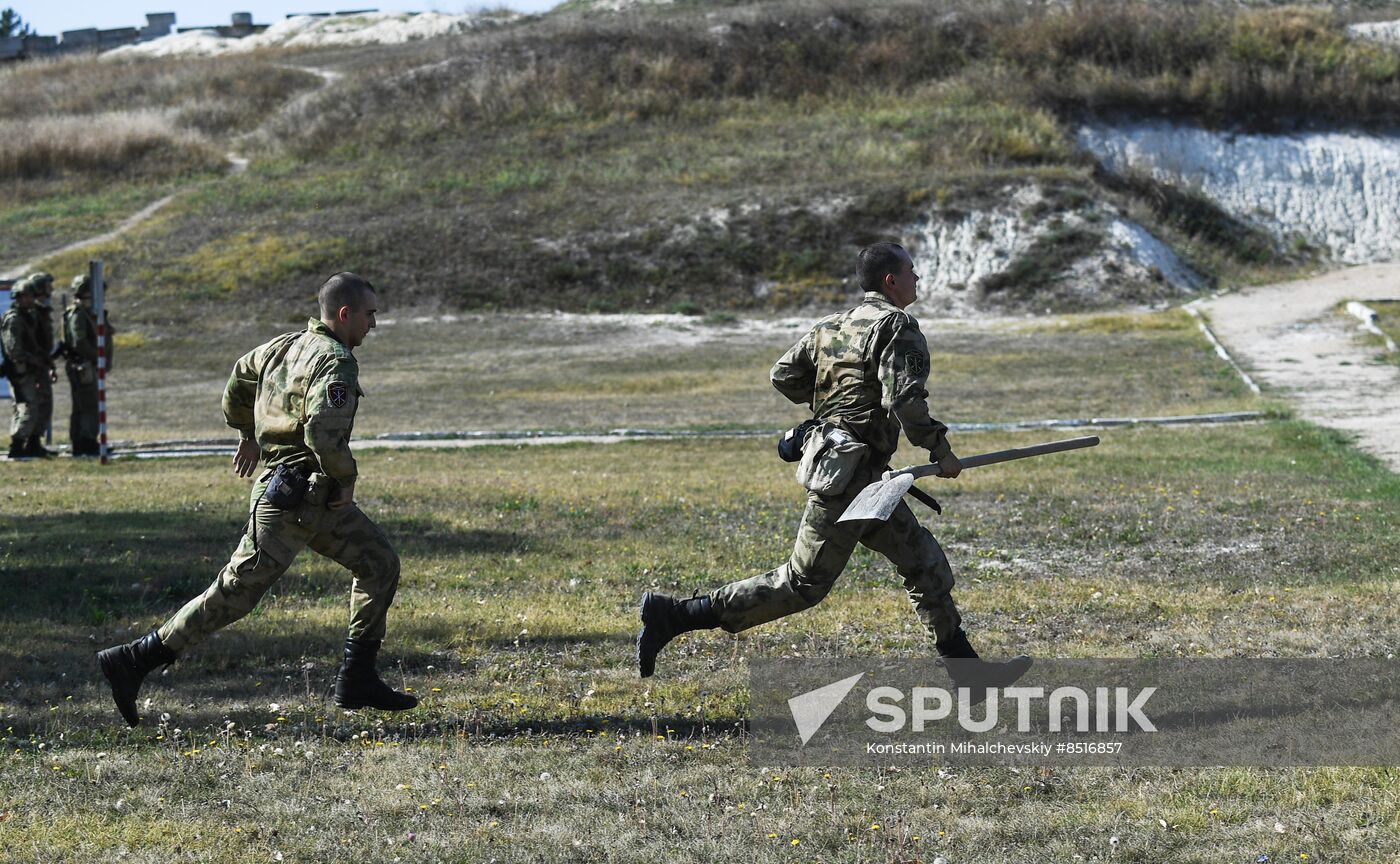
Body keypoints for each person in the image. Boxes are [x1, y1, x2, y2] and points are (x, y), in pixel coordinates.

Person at [637, 243, 1030, 698]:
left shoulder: (831, 327)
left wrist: (830, 412)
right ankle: (674, 615)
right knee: (802, 585)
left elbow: (783, 374)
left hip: (867, 479)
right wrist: (940, 451)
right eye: (911, 272)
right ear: (891, 281)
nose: (917, 278)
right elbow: (904, 400)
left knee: (925, 565)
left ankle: (967, 674)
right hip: (849, 481)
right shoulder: (896, 326)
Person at [97, 272, 416, 726]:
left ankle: (357, 676)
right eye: (370, 315)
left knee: (379, 563)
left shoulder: (281, 346)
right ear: (345, 314)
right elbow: (323, 435)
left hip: (309, 498)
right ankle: (133, 659)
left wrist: (247, 431)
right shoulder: (336, 361)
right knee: (236, 592)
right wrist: (347, 480)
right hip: (294, 501)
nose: (373, 325)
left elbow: (239, 379)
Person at [1, 276, 55, 459]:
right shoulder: (14, 320)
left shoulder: (30, 317)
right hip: (21, 371)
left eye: (32, 296)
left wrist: (44, 362)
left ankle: (33, 443)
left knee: (40, 406)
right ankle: (17, 444)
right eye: (26, 296)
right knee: (27, 407)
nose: (30, 299)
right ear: (19, 297)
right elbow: (14, 351)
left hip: (32, 369)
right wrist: (33, 360)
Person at [62, 275, 101, 457]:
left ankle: (81, 441)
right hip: (82, 365)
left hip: (82, 364)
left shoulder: (83, 313)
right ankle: (86, 441)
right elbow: (80, 342)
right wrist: (96, 356)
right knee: (88, 405)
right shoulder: (78, 315)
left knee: (82, 406)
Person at [27, 271, 57, 457]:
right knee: (39, 404)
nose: (51, 291)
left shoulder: (41, 312)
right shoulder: (33, 314)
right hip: (35, 366)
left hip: (42, 363)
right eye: (47, 287)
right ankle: (32, 442)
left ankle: (35, 441)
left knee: (45, 404)